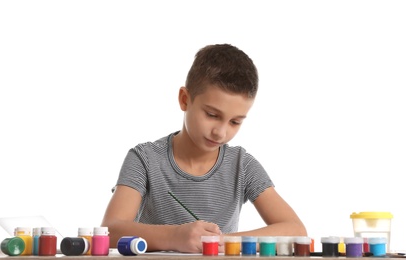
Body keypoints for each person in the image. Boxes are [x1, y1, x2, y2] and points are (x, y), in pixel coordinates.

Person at [101, 43, 307, 253]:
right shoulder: (145, 159)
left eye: (235, 122)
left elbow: (296, 230)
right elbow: (110, 230)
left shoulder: (242, 165)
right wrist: (174, 236)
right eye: (212, 115)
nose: (221, 132)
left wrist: (221, 241)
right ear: (184, 99)